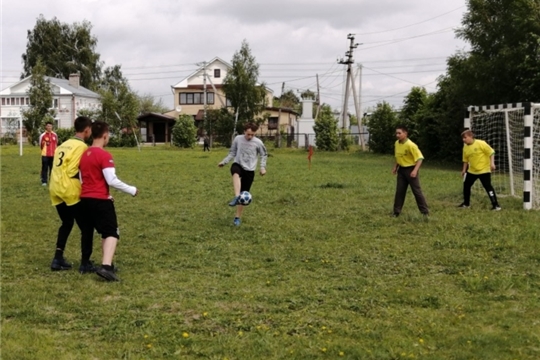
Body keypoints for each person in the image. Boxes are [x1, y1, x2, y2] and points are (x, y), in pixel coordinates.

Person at [79, 121, 138, 281]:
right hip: (99, 200)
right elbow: (111, 180)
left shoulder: (84, 154)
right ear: (105, 135)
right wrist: (132, 190)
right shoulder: (104, 155)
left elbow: (81, 178)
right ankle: (105, 267)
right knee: (112, 232)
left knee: (103, 232)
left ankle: (108, 263)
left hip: (84, 200)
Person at [49, 116, 95, 272]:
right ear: (87, 129)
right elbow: (72, 171)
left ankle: (57, 259)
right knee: (87, 226)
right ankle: (85, 263)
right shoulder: (81, 146)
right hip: (69, 189)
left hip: (54, 187)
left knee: (67, 222)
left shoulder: (63, 145)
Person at [218, 122, 267, 226]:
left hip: (250, 170)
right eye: (248, 134)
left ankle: (237, 217)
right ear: (244, 131)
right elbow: (232, 152)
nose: (250, 136)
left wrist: (262, 168)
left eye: (252, 134)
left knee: (244, 195)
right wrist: (224, 162)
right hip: (238, 164)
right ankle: (236, 196)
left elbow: (264, 155)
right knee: (235, 171)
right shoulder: (238, 139)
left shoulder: (258, 142)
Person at [392, 125, 429, 217]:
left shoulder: (411, 145)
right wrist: (395, 167)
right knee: (400, 191)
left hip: (411, 169)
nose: (397, 135)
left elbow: (420, 159)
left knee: (416, 191)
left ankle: (425, 212)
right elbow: (398, 156)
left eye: (399, 133)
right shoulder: (397, 143)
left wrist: (415, 170)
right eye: (396, 133)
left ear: (405, 133)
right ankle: (396, 212)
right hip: (401, 170)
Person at [459, 129, 501, 210]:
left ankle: (496, 205)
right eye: (463, 138)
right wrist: (464, 170)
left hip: (484, 170)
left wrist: (492, 163)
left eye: (465, 137)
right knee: (466, 186)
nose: (463, 140)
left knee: (488, 187)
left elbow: (491, 152)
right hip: (472, 171)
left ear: (471, 136)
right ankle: (466, 204)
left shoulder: (481, 143)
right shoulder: (465, 148)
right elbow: (465, 160)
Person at [39, 121, 58, 186]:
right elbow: (40, 144)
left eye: (50, 126)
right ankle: (44, 181)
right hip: (45, 154)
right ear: (46, 127)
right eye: (48, 126)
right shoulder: (42, 135)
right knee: (45, 168)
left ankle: (52, 180)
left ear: (52, 127)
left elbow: (56, 143)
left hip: (53, 154)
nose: (49, 127)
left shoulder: (55, 135)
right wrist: (44, 150)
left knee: (52, 168)